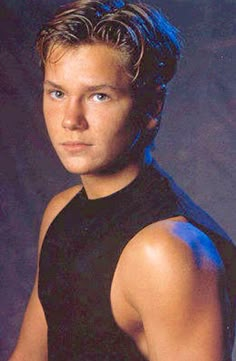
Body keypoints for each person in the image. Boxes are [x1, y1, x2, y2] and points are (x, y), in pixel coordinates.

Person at [9, 0, 236, 360]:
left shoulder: (166, 252)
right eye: (58, 93)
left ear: (152, 107)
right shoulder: (61, 211)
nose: (71, 119)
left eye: (99, 96)